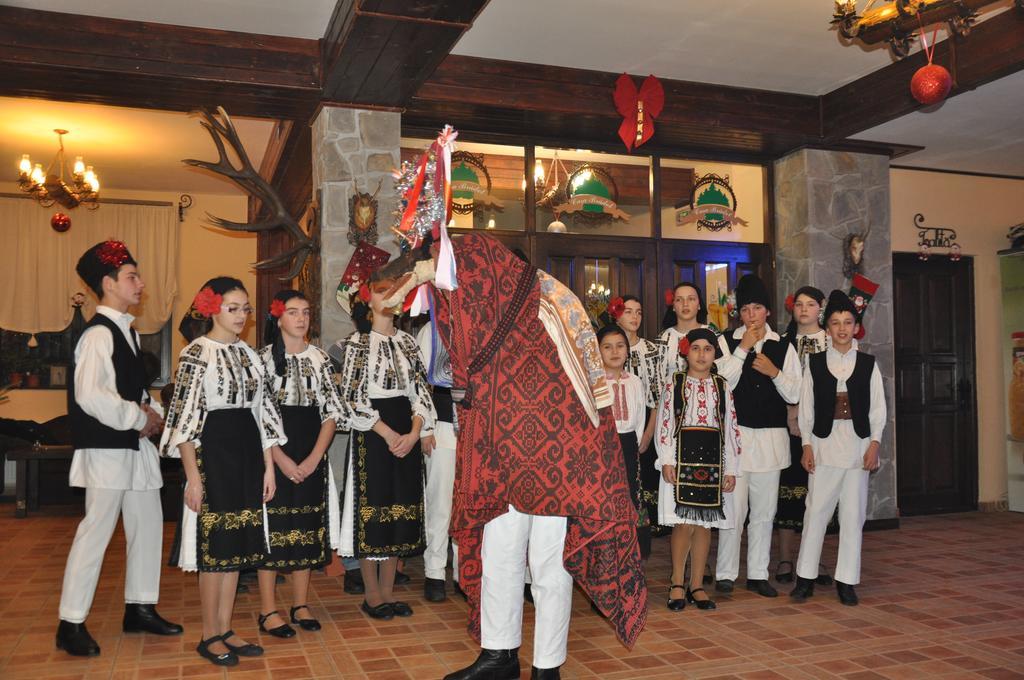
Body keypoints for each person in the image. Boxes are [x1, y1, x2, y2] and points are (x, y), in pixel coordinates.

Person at [379, 234, 645, 680]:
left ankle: (547, 665)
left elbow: (589, 384)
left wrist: (587, 452)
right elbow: (460, 378)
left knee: (548, 562)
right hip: (499, 459)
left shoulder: (554, 301)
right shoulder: (479, 314)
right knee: (499, 554)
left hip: (555, 462)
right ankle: (498, 654)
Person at [56, 240, 182, 657]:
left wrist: (153, 411)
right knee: (95, 533)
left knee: (146, 527)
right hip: (108, 449)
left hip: (134, 449)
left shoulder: (124, 331)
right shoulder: (97, 334)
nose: (141, 283)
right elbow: (92, 396)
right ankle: (70, 622)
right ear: (108, 284)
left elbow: (128, 390)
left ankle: (140, 607)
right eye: (132, 277)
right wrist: (138, 417)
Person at [160, 277, 284, 667]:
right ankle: (209, 633)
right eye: (233, 307)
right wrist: (193, 477)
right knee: (215, 549)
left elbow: (264, 415)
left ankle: (226, 627)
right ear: (212, 308)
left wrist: (269, 469)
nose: (241, 315)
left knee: (237, 547)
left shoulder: (250, 355)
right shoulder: (197, 353)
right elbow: (183, 419)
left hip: (248, 454)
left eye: (245, 308)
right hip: (214, 454)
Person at [336, 270, 435, 621]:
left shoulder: (408, 343)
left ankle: (390, 592)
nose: (390, 296)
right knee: (374, 508)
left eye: (394, 290)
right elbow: (350, 398)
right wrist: (387, 433)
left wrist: (414, 431)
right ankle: (373, 594)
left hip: (405, 427)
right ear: (369, 300)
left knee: (400, 509)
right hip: (373, 434)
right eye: (381, 291)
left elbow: (422, 393)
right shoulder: (356, 344)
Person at [256, 290, 345, 637]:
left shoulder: (321, 359)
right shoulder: (261, 361)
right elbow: (258, 415)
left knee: (306, 528)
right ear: (278, 318)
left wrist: (313, 459)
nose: (301, 319)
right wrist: (282, 459)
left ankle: (300, 603)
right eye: (293, 312)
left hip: (311, 452)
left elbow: (332, 413)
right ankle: (267, 610)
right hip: (273, 454)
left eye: (306, 312)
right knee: (273, 533)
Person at [790, 290, 886, 607]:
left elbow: (877, 411)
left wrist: (874, 443)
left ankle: (847, 580)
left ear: (856, 326)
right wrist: (806, 445)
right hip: (823, 445)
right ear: (827, 328)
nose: (842, 328)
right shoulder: (815, 364)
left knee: (852, 515)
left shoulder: (868, 364)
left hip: (857, 447)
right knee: (816, 512)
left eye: (848, 322)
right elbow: (806, 410)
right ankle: (804, 578)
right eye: (835, 323)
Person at [715, 274, 801, 598]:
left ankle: (757, 573)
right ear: (739, 312)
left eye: (757, 308)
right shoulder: (725, 341)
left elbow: (795, 392)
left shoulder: (784, 345)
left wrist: (774, 373)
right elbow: (720, 384)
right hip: (736, 441)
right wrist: (743, 350)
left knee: (764, 513)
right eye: (746, 309)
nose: (751, 315)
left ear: (767, 311)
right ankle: (725, 573)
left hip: (771, 441)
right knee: (733, 511)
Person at [655, 328, 740, 611]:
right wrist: (666, 458)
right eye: (696, 348)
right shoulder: (675, 383)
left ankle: (697, 584)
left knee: (705, 523)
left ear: (715, 354)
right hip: (681, 457)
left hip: (713, 458)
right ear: (685, 351)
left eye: (707, 349)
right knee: (684, 522)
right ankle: (677, 582)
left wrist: (731, 468)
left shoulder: (722, 386)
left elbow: (730, 428)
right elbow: (665, 422)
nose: (702, 354)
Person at [775, 286, 830, 583]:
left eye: (811, 304)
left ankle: (815, 559)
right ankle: (784, 558)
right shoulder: (783, 342)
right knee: (789, 490)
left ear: (820, 307)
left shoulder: (831, 341)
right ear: (792, 308)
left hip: (822, 428)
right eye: (799, 304)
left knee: (818, 494)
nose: (804, 310)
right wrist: (790, 412)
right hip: (788, 427)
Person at [417, 306, 462, 602]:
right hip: (441, 424)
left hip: (475, 429)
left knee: (466, 505)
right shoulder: (432, 330)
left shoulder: (480, 324)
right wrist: (424, 428)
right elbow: (419, 381)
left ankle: (463, 573)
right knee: (440, 502)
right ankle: (435, 571)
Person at [598, 324, 651, 559]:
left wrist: (638, 440)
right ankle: (604, 548)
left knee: (630, 493)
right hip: (602, 445)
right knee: (604, 496)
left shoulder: (635, 382)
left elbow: (640, 414)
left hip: (629, 443)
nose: (615, 351)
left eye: (620, 346)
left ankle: (630, 550)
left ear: (628, 351)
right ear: (597, 352)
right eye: (607, 347)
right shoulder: (595, 383)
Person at [614, 295, 662, 535]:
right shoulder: (608, 346)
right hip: (617, 422)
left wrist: (648, 433)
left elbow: (657, 395)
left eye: (639, 312)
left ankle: (640, 533)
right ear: (617, 314)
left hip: (645, 420)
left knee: (640, 482)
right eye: (629, 311)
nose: (634, 317)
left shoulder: (651, 349)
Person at [658, 282, 734, 389]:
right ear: (673, 306)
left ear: (699, 305)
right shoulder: (664, 337)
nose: (685, 304)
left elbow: (726, 369)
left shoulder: (713, 333)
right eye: (679, 299)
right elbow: (658, 377)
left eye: (691, 299)